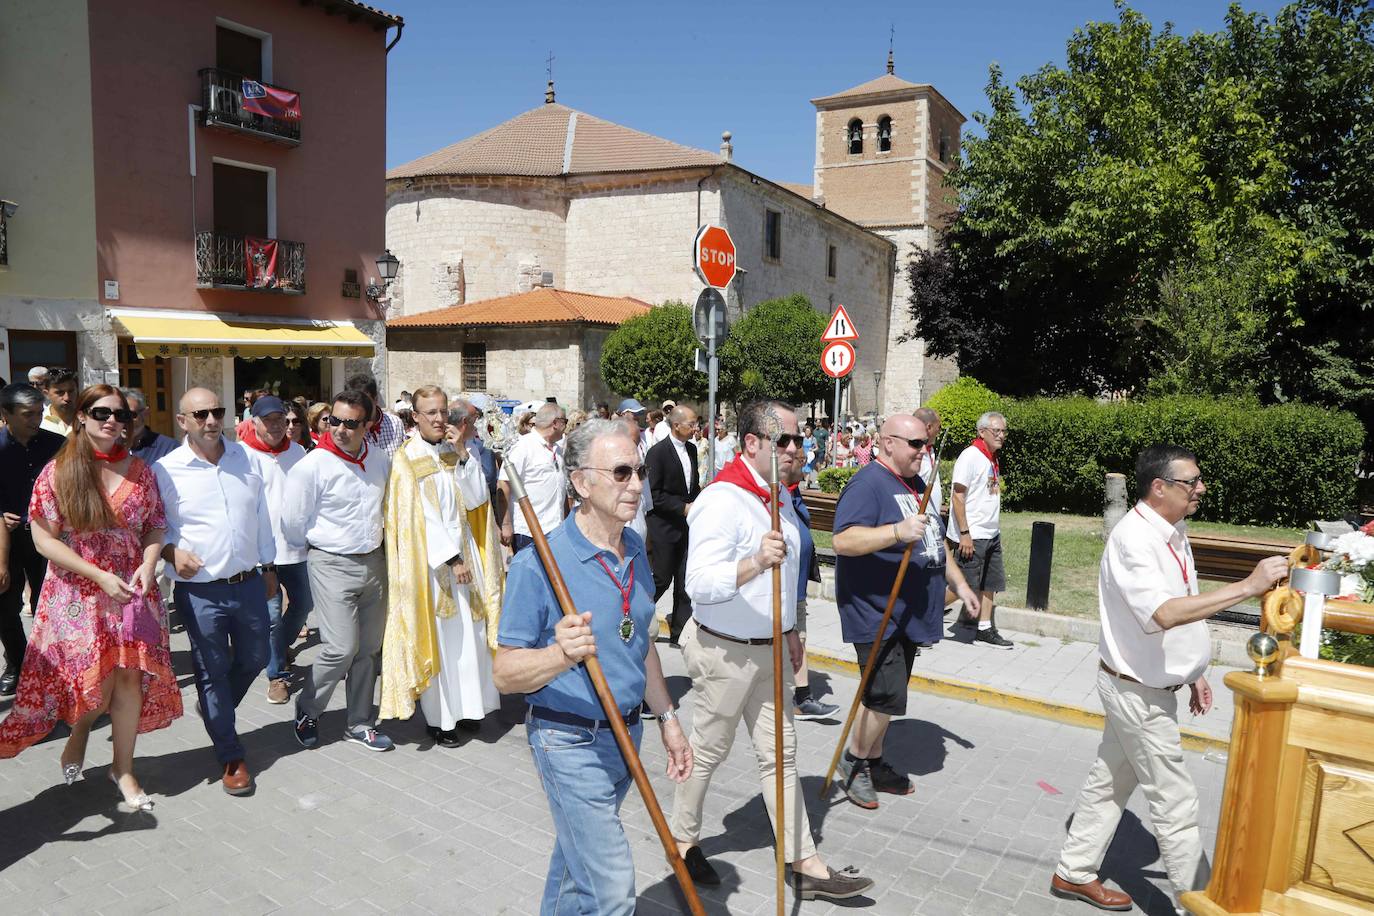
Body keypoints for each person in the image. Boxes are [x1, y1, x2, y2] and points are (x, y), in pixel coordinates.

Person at [1050, 445, 1288, 913]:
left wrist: (1195, 669)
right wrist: (1247, 587)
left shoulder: (1172, 530)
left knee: (1109, 783)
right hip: (1137, 692)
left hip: (1146, 686)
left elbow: (1184, 599)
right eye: (1191, 482)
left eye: (1198, 480)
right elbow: (1161, 613)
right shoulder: (1133, 540)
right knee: (1176, 802)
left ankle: (1073, 872)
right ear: (1159, 488)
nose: (1200, 489)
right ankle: (1197, 904)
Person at [670, 399, 874, 901]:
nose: (794, 448)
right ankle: (682, 842)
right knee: (709, 752)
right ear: (752, 444)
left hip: (769, 651)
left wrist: (788, 632)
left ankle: (804, 861)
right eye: (782, 439)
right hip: (726, 651)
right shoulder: (723, 498)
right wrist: (754, 561)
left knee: (781, 755)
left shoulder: (779, 497)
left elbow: (785, 578)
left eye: (798, 439)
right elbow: (698, 583)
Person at [493, 418, 692, 915]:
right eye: (622, 472)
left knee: (574, 866)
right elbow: (505, 673)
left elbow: (638, 640)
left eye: (640, 471)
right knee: (611, 890)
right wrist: (560, 654)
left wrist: (668, 719)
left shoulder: (634, 552)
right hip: (567, 740)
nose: (637, 484)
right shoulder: (539, 564)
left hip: (626, 736)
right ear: (581, 482)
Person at [0, 385, 179, 811]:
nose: (112, 421)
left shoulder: (142, 470)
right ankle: (79, 735)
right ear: (81, 416)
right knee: (93, 683)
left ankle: (123, 768)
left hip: (132, 591)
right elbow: (44, 540)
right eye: (101, 413)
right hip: (79, 593)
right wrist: (98, 574)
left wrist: (150, 563)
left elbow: (155, 525)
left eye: (121, 415)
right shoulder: (60, 470)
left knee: (129, 680)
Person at [830, 414, 982, 810]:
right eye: (915, 444)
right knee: (884, 694)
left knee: (888, 697)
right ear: (888, 443)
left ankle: (874, 762)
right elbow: (844, 540)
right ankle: (854, 762)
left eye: (925, 444)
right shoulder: (867, 484)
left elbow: (933, 542)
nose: (922, 451)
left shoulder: (918, 484)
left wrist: (961, 585)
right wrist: (896, 532)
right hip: (876, 610)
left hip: (911, 610)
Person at [154, 389, 276, 794]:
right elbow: (153, 528)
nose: (211, 420)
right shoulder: (166, 470)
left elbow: (261, 516)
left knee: (256, 657)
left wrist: (269, 566)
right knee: (211, 671)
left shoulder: (248, 459)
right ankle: (230, 754)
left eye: (217, 411)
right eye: (200, 414)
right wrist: (170, 552)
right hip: (199, 592)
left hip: (248, 584)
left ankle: (213, 708)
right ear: (182, 421)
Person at [381, 386, 503, 746]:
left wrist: (465, 454)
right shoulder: (407, 459)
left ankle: (468, 710)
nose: (438, 419)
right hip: (435, 569)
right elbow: (417, 518)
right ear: (415, 417)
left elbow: (478, 500)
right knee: (443, 641)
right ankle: (441, 719)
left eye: (442, 412)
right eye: (430, 413)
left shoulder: (454, 451)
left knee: (470, 638)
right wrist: (451, 558)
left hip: (466, 559)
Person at [284, 388, 393, 751]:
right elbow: (292, 524)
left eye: (351, 423)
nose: (341, 429)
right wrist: (321, 549)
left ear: (368, 424)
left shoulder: (379, 460)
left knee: (369, 650)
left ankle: (359, 722)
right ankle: (308, 708)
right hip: (331, 563)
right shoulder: (312, 466)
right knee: (340, 648)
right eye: (335, 420)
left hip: (374, 563)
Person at [236, 396, 312, 706]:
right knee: (270, 617)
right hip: (261, 554)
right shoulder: (242, 455)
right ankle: (276, 676)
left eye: (281, 418)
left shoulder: (300, 453)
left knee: (304, 605)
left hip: (296, 549)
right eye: (269, 420)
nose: (277, 425)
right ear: (253, 422)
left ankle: (278, 650)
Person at [0, 384, 66, 695]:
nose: (35, 420)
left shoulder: (57, 445)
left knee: (49, 606)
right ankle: (16, 662)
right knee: (4, 607)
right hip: (6, 541)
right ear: (5, 414)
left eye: (40, 413)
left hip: (49, 539)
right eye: (28, 415)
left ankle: (50, 669)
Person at [948, 411, 1014, 648]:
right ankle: (925, 612)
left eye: (1004, 431)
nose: (1001, 435)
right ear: (982, 432)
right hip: (973, 534)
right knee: (961, 586)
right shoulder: (970, 456)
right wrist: (964, 534)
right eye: (996, 431)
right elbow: (958, 495)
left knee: (989, 583)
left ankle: (985, 629)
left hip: (991, 533)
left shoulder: (990, 457)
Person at [787, 451, 840, 721]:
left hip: (796, 584)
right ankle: (799, 697)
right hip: (782, 587)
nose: (805, 467)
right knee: (794, 639)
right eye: (799, 462)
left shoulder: (792, 492)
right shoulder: (776, 494)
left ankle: (802, 696)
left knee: (800, 638)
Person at [646, 404, 701, 645]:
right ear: (676, 425)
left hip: (687, 526)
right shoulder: (658, 453)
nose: (695, 428)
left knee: (685, 580)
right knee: (661, 577)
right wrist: (681, 507)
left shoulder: (691, 449)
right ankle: (633, 614)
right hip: (663, 527)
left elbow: (691, 485)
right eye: (691, 424)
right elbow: (653, 494)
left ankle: (680, 631)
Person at [498, 403, 568, 554]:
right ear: (556, 423)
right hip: (529, 532)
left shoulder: (558, 449)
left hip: (555, 529)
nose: (566, 427)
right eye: (565, 422)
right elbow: (504, 483)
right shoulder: (522, 446)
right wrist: (505, 524)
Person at [345, 374, 405, 456]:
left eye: (365, 403)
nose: (360, 408)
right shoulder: (346, 429)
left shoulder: (395, 423)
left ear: (375, 399)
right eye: (355, 404)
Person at [124, 388, 179, 465]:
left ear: (145, 413)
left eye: (131, 415)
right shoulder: (108, 448)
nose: (126, 421)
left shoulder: (169, 448)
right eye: (120, 415)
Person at [40, 368, 78, 437]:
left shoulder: (89, 421)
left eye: (71, 391)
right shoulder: (38, 422)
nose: (67, 398)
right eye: (60, 393)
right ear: (46, 394)